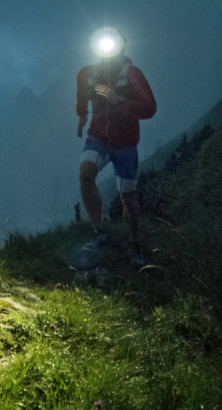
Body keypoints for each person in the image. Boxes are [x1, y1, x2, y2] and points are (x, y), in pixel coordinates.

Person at [76, 29, 157, 266]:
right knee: (85, 174)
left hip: (125, 143)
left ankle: (135, 245)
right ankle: (98, 230)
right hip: (99, 136)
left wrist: (118, 102)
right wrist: (82, 115)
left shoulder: (132, 74)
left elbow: (150, 108)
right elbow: (82, 95)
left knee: (128, 198)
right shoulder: (87, 73)